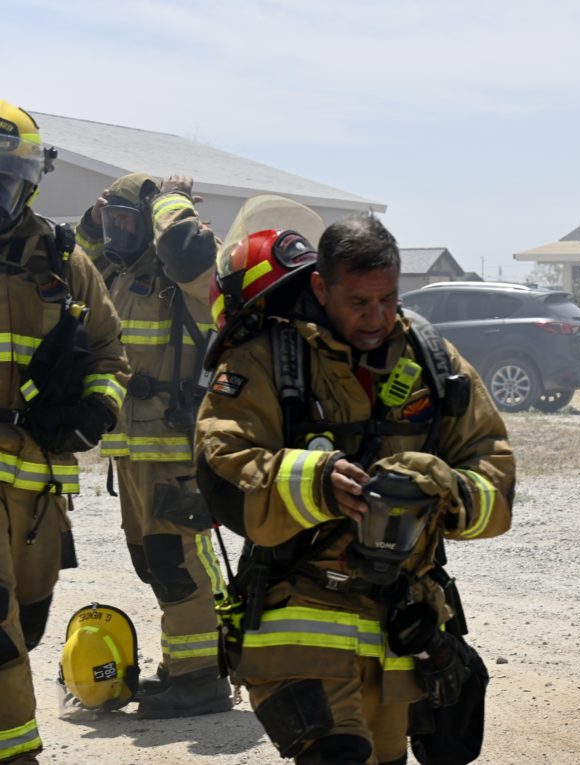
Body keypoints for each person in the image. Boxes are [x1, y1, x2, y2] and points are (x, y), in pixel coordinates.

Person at [195, 205, 514, 765]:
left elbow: (494, 468)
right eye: (359, 302)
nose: (377, 317)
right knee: (337, 754)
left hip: (397, 624)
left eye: (388, 299)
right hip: (299, 616)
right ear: (321, 287)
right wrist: (315, 481)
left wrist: (446, 491)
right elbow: (223, 462)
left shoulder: (432, 360)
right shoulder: (266, 359)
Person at [0, 100, 129, 765]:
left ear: (28, 182)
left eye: (5, 180)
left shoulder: (60, 258)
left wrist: (96, 409)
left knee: (26, 622)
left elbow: (110, 350)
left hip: (37, 488)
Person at [74, 172, 230, 718]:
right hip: (131, 447)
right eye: (110, 223)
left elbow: (191, 255)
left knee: (176, 562)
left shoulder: (181, 275)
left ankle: (201, 678)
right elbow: (74, 266)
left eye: (126, 222)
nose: (116, 234)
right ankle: (184, 666)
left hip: (172, 446)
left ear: (151, 225)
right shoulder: (117, 272)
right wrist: (95, 221)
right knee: (153, 563)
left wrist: (170, 202)